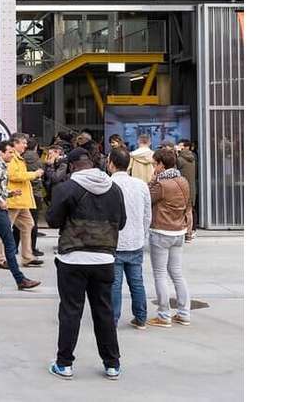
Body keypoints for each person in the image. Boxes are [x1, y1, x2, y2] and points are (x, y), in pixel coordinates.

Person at [46, 148, 127, 381]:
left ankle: (64, 364)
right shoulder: (114, 188)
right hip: (104, 260)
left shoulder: (66, 188)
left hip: (73, 259)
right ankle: (112, 364)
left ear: (71, 166)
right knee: (104, 310)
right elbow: (120, 223)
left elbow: (52, 220)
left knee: (71, 311)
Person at [0, 139, 42, 291]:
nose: (12, 154)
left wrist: (10, 193)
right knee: (10, 245)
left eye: (13, 152)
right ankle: (20, 279)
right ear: (1, 153)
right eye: (10, 152)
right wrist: (1, 201)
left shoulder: (0, 165)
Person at [146, 148, 193, 328]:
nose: (153, 167)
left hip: (161, 232)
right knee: (177, 274)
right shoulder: (183, 181)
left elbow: (147, 198)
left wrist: (153, 179)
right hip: (179, 231)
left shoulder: (161, 185)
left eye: (154, 164)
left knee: (159, 275)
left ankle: (164, 315)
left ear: (161, 164)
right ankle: (184, 313)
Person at [108, 148, 152, 330]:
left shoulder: (108, 184)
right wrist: (142, 233)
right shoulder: (141, 185)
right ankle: (141, 318)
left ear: (111, 163)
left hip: (114, 242)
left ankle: (113, 320)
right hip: (135, 240)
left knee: (114, 284)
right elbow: (147, 214)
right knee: (137, 282)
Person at [176, 139, 198, 241]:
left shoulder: (180, 159)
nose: (178, 146)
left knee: (183, 211)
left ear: (185, 147)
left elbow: (175, 167)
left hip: (182, 188)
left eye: (180, 145)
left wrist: (176, 153)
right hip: (191, 187)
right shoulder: (193, 157)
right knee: (189, 211)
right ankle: (190, 233)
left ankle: (184, 232)